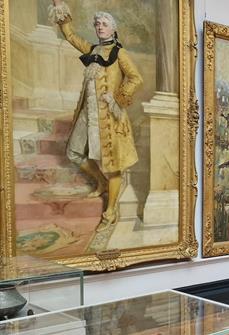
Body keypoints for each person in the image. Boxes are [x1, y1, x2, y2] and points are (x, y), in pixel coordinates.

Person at [50, 0, 143, 231]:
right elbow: (70, 36)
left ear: (112, 29)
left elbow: (135, 78)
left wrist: (118, 99)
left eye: (104, 24)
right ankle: (100, 181)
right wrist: (60, 7)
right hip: (87, 113)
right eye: (97, 24)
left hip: (110, 117)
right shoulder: (91, 50)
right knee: (73, 152)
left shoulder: (119, 53)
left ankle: (111, 211)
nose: (100, 27)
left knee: (113, 166)